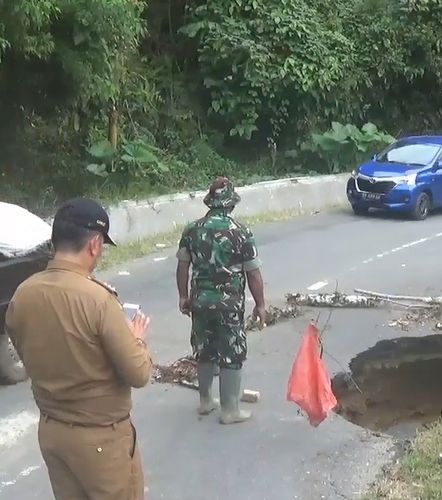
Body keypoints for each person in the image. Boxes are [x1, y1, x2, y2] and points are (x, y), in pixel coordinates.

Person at [4, 198, 152, 500]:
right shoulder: (97, 299)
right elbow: (138, 373)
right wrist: (135, 338)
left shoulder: (23, 294)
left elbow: (24, 351)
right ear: (95, 244)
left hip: (53, 433)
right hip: (101, 440)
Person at [176, 177, 266, 424]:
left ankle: (205, 401)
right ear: (231, 204)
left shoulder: (192, 229)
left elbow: (183, 265)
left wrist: (183, 296)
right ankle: (230, 410)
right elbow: (253, 273)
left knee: (204, 348)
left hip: (200, 301)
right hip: (229, 304)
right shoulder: (241, 231)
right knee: (232, 352)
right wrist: (260, 304)